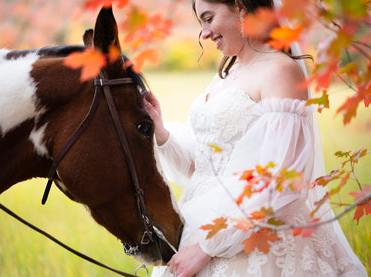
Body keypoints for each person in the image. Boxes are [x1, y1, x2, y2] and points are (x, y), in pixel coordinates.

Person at [144, 0, 368, 276]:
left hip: (254, 240)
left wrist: (207, 248)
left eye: (208, 18)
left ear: (240, 7)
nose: (203, 33)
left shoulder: (280, 71)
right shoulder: (224, 77)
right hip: (200, 225)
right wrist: (161, 130)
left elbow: (283, 181)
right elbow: (201, 164)